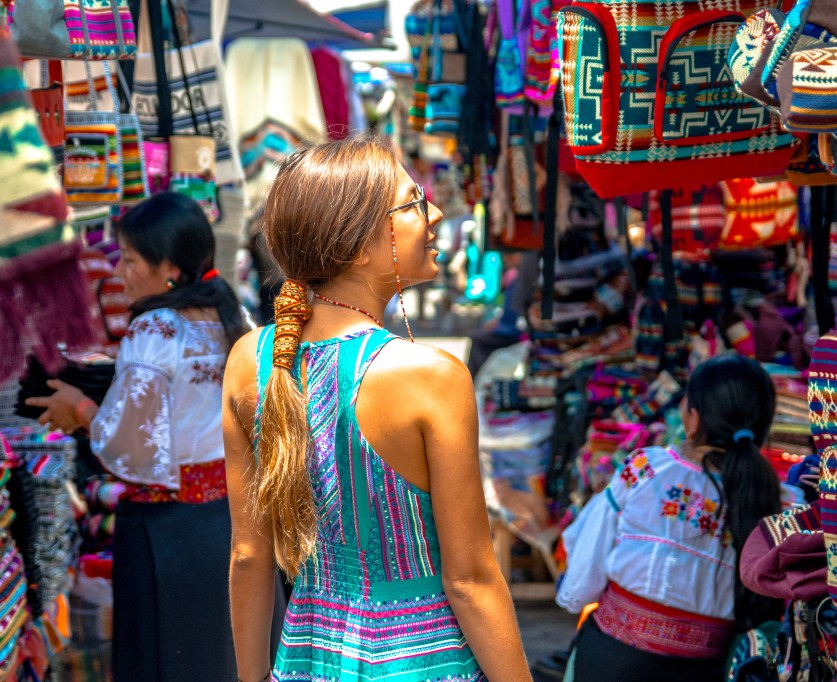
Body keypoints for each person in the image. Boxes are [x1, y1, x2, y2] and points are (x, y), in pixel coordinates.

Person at [222, 136, 531, 682]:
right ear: (361, 245)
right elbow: (470, 581)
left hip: (305, 659)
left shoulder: (250, 360)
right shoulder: (432, 378)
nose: (435, 214)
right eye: (414, 203)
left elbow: (249, 555)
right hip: (425, 662)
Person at [26, 192, 247, 680]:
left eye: (128, 260)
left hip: (166, 532)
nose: (119, 272)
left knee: (161, 660)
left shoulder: (155, 329)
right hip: (226, 524)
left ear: (169, 268)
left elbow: (129, 443)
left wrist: (80, 409)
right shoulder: (229, 318)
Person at [556, 354, 785, 681]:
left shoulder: (648, 469)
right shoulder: (776, 499)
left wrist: (574, 596)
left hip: (614, 662)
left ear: (694, 419)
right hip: (706, 673)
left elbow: (586, 565)